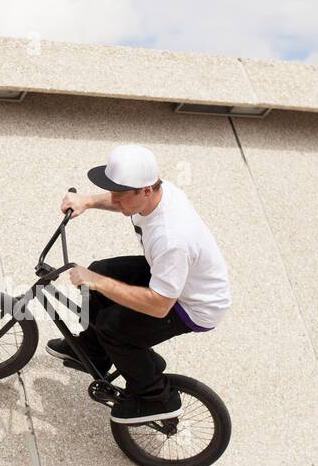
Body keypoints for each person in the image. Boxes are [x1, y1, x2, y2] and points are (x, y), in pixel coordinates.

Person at [50, 144, 231, 424]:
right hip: (170, 277)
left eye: (121, 197)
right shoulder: (156, 193)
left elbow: (159, 306)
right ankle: (94, 352)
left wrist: (98, 282)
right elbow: (120, 198)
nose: (116, 201)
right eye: (114, 193)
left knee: (113, 325)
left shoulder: (171, 237)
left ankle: (156, 398)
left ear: (146, 190)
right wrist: (87, 200)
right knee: (101, 272)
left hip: (191, 305)